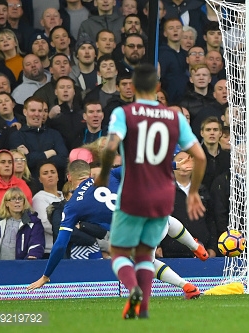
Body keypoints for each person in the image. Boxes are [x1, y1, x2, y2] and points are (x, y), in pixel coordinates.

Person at [94, 64, 206, 319]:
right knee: (146, 253)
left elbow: (111, 146)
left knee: (120, 253)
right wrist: (195, 190)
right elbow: (199, 156)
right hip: (162, 194)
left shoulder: (124, 113)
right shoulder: (175, 117)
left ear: (132, 88)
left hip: (133, 193)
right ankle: (144, 304)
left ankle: (135, 291)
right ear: (157, 88)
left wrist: (102, 175)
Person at [27, 159, 206, 300]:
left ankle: (185, 286)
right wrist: (174, 164)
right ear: (89, 174)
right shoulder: (109, 174)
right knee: (166, 221)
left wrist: (46, 275)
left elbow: (59, 245)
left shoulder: (71, 208)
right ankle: (195, 247)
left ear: (69, 178)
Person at [0, 187, 44, 260]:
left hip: (22, 267)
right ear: (6, 203)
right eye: (13, 199)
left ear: (24, 203)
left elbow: (37, 244)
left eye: (20, 199)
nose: (17, 201)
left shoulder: (33, 222)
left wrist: (32, 256)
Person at [31, 161, 64, 258]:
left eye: (53, 172)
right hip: (50, 250)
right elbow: (45, 224)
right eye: (45, 173)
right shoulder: (39, 198)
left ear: (58, 176)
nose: (50, 175)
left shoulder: (65, 196)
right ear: (40, 179)